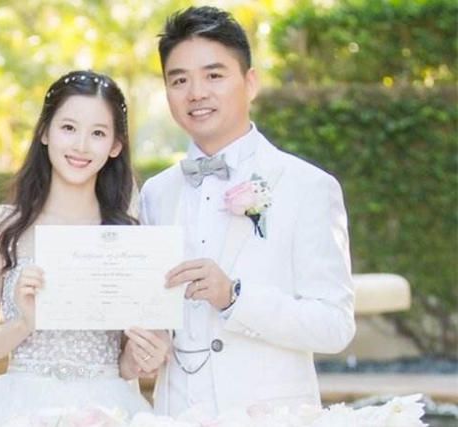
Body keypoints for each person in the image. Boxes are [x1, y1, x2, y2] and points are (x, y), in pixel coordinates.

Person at [137, 6, 356, 418]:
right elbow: (153, 312)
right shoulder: (155, 193)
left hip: (272, 416)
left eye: (214, 75)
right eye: (179, 80)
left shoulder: (307, 185)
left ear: (250, 82)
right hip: (176, 413)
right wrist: (147, 343)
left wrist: (235, 297)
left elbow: (335, 326)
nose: (196, 93)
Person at [0, 70, 166, 426]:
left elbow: (123, 362)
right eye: (68, 128)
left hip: (108, 408)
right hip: (21, 406)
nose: (81, 146)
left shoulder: (129, 236)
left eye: (98, 133)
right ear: (45, 132)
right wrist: (25, 322)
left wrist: (139, 357)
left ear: (115, 146)